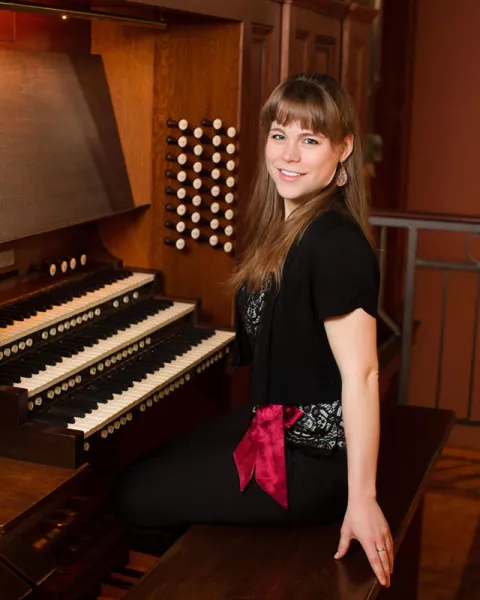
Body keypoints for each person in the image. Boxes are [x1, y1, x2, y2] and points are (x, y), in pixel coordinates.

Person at [113, 72, 394, 588]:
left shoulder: (334, 243)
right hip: (271, 430)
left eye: (310, 140)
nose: (289, 154)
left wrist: (363, 499)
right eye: (279, 135)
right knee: (139, 467)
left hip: (309, 463)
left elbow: (364, 375)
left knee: (132, 496)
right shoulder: (288, 226)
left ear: (343, 149)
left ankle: (218, 578)